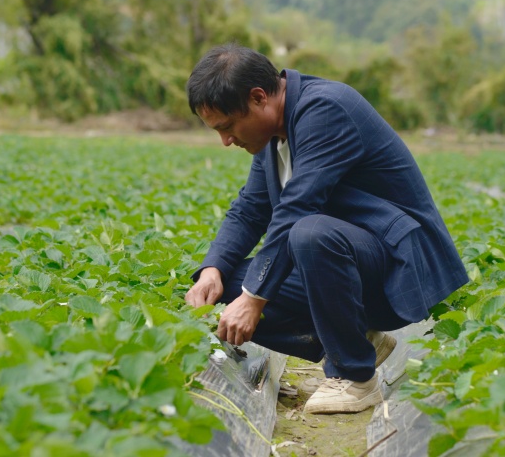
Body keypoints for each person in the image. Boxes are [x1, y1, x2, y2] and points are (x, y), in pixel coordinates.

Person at [184, 44, 468, 414]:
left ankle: (355, 378)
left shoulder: (325, 110)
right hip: (343, 263)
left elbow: (296, 208)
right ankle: (359, 341)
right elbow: (250, 210)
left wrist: (254, 299)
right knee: (221, 292)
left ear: (259, 98)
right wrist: (213, 270)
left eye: (227, 127)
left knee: (308, 233)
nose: (225, 141)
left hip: (394, 265)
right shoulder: (273, 137)